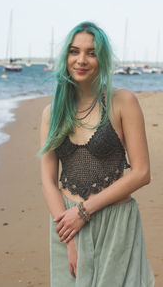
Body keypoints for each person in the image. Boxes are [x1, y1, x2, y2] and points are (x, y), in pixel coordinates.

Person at [39, 21, 155, 286]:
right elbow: (48, 181)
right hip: (65, 223)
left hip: (115, 223)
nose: (81, 60)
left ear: (102, 59)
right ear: (65, 57)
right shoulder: (51, 113)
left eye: (91, 53)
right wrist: (68, 235)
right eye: (74, 51)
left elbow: (141, 173)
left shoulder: (122, 101)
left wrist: (84, 211)